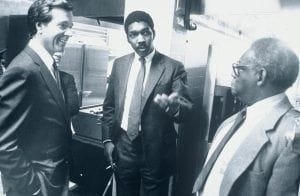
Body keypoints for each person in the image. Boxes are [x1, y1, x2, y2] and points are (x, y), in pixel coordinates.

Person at [192, 37, 300, 196]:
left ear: (260, 76)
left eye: (239, 68)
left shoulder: (292, 133)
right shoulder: (231, 122)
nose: (234, 74)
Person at [102, 10, 193, 196]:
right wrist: (107, 141)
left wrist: (175, 108)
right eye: (133, 34)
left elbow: (186, 109)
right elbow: (109, 106)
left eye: (145, 32)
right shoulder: (119, 65)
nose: (140, 39)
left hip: (157, 152)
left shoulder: (173, 67)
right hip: (124, 147)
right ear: (128, 38)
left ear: (153, 33)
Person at [0, 0, 73, 195]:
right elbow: (4, 142)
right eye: (63, 26)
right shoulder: (23, 69)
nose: (69, 33)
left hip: (54, 182)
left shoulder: (46, 65)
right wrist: (31, 188)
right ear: (40, 25)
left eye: (70, 27)